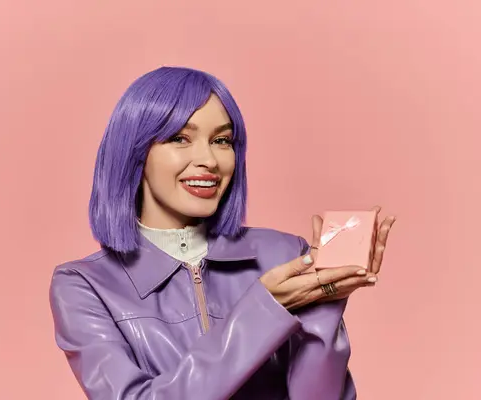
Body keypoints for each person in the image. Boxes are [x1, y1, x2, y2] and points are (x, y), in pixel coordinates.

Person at [49, 66, 395, 400]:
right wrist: (266, 308)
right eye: (180, 138)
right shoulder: (83, 285)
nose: (210, 160)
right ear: (135, 153)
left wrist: (324, 306)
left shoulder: (285, 254)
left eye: (222, 140)